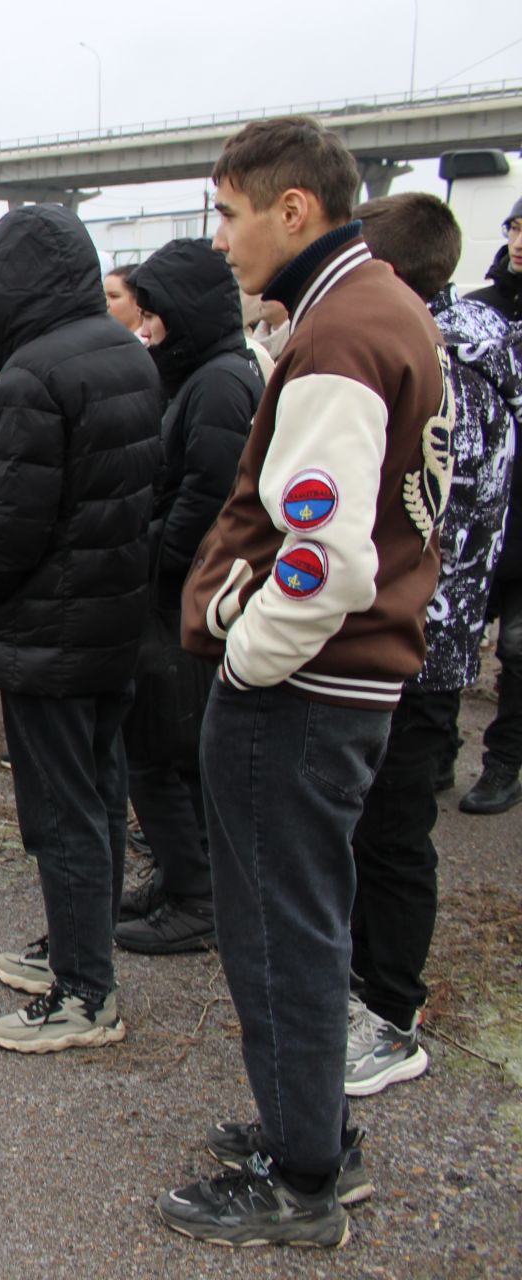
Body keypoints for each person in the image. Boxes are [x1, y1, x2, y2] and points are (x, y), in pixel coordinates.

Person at [160, 117, 449, 1250]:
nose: (218, 239)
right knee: (305, 915)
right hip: (348, 682)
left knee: (280, 924)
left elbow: (324, 556)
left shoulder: (337, 334)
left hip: (308, 687)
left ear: (294, 210)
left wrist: (245, 647)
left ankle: (302, 1176)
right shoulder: (380, 307)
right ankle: (310, 1123)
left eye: (228, 214)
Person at [0, 204, 162, 1052]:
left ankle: (85, 993)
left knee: (64, 810)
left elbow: (7, 522)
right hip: (114, 618)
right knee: (101, 793)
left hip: (51, 631)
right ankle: (81, 949)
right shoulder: (124, 351)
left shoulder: (33, 375)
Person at [343, 192, 517, 1095]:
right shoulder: (426, 339)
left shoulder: (456, 357)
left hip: (422, 633)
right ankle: (365, 980)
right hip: (395, 625)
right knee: (367, 817)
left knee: (398, 825)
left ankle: (392, 1013)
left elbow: (452, 504)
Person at [112, 238, 262, 955]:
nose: (145, 334)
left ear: (187, 314)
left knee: (160, 751)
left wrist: (156, 563)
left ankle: (196, 896)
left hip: (182, 601)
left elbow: (209, 494)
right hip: (178, 594)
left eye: (154, 319)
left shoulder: (219, 383)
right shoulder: (205, 375)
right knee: (168, 748)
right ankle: (183, 876)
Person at [459, 194, 522, 815]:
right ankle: (436, 746)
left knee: (519, 649)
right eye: (515, 226)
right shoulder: (476, 313)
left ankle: (504, 761)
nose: (520, 239)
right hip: (478, 512)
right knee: (457, 631)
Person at [103, 266, 143, 334]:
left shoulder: (148, 343)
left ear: (139, 301)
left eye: (114, 296)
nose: (105, 303)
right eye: (102, 295)